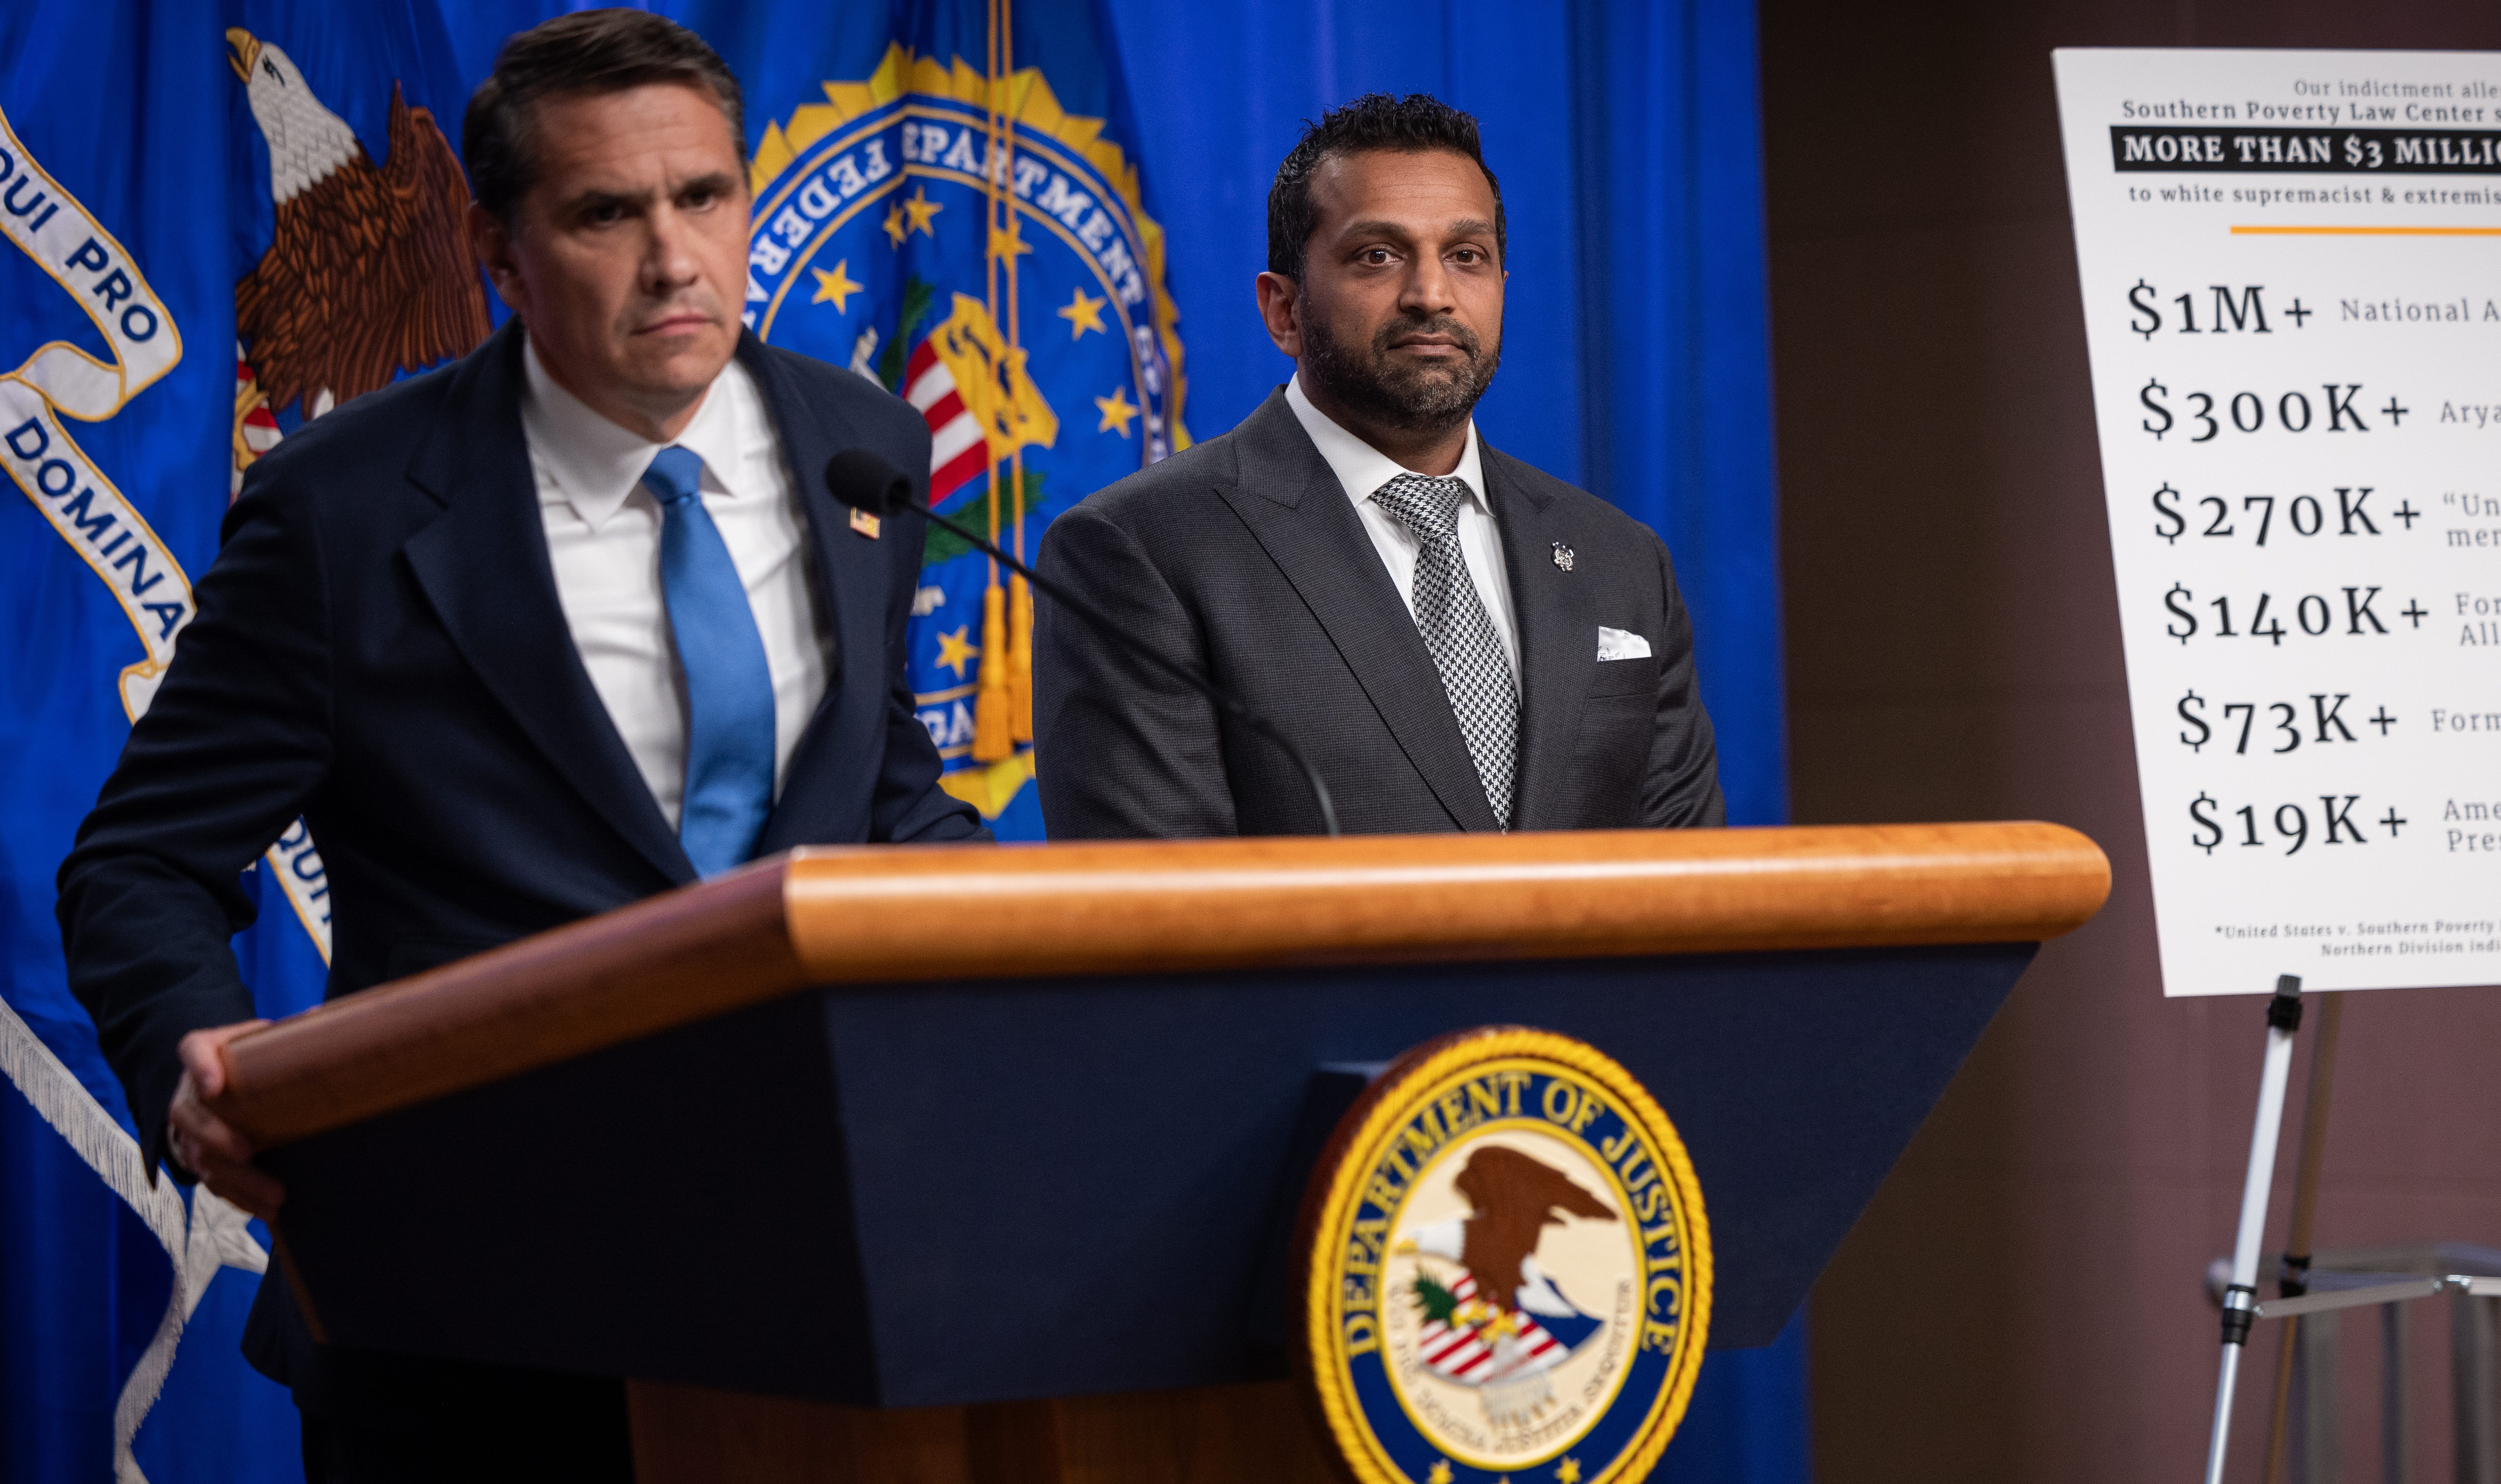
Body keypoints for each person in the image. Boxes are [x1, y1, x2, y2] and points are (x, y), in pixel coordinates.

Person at [56, 11, 976, 1477]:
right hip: (463, 1316)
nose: (674, 259)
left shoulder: (859, 442)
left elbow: (878, 788)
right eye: (607, 213)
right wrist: (198, 1055)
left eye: (704, 196)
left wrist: (1006, 940)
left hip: (821, 1273)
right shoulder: (340, 508)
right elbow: (142, 861)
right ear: (498, 250)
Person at [1034, 94, 1723, 837]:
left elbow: (1692, 880)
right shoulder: (1139, 549)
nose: (1432, 296)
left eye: (1466, 256)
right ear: (1284, 311)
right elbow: (1163, 892)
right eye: (1378, 256)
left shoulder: (1623, 560)